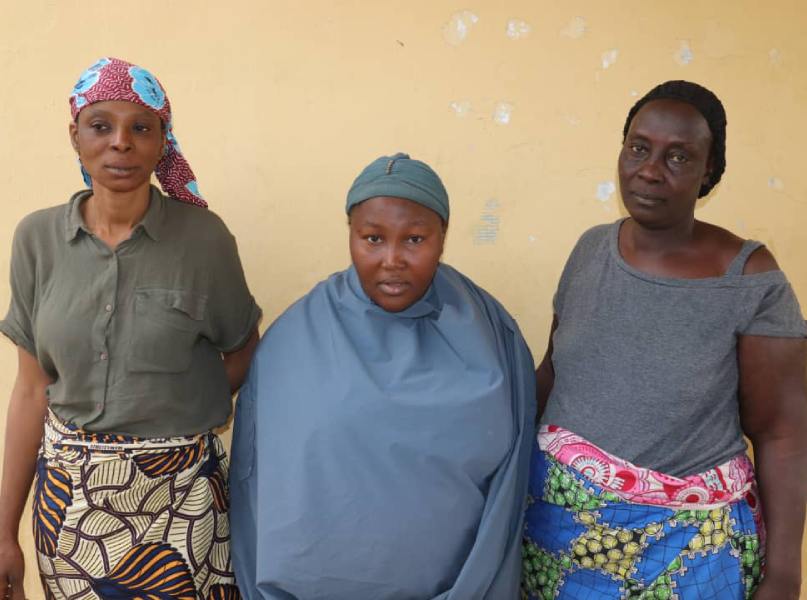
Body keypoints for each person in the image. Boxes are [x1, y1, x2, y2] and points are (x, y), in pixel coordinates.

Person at [522, 80, 807, 599]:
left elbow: (783, 435)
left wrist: (785, 574)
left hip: (691, 551)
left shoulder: (749, 279)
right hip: (559, 535)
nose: (650, 170)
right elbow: (554, 372)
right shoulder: (590, 251)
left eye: (678, 157)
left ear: (709, 173)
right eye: (639, 148)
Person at [0, 57, 261, 599]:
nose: (121, 142)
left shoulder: (205, 240)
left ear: (163, 140)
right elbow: (30, 390)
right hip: (73, 514)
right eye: (101, 125)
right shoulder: (36, 240)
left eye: (141, 127)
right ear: (75, 135)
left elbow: (243, 351)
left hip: (184, 503)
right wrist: (4, 531)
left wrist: (174, 412)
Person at [229, 152, 536, 599]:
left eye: (414, 239)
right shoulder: (296, 338)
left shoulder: (491, 336)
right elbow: (255, 485)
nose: (392, 259)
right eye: (373, 238)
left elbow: (509, 490)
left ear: (442, 237)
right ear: (350, 235)